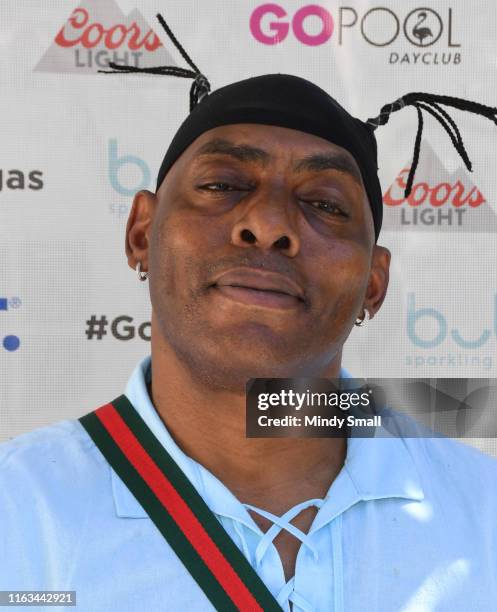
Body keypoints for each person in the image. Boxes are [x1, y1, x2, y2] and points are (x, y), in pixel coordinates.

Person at [1, 14, 497, 612]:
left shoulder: (484, 516)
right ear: (141, 233)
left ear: (373, 282)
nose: (268, 224)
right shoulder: (17, 512)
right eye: (223, 185)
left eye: (323, 204)